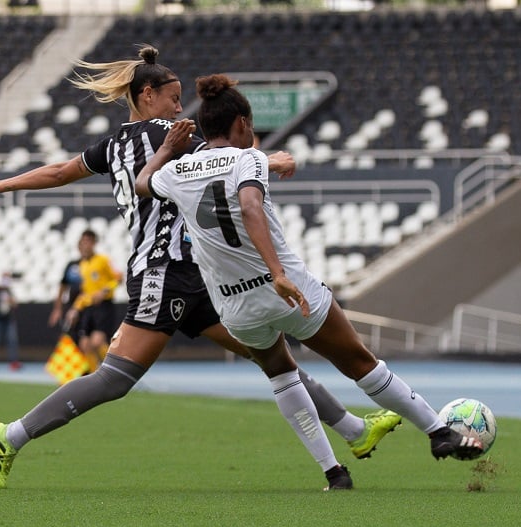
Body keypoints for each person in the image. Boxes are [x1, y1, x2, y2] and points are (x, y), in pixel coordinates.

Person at [0, 46, 399, 490]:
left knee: (273, 357)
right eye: (174, 98)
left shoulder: (112, 145)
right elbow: (222, 161)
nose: (181, 108)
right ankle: (11, 435)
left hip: (195, 274)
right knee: (116, 378)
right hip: (163, 269)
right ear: (148, 94)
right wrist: (271, 160)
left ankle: (354, 431)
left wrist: (3, 184)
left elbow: (60, 172)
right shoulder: (168, 134)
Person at [135, 73, 483, 487]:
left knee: (282, 376)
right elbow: (249, 206)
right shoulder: (248, 159)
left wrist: (166, 152)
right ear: (243, 125)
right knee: (360, 363)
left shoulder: (177, 170)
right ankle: (438, 432)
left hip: (236, 307)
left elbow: (141, 184)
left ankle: (334, 473)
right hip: (287, 291)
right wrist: (278, 274)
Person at [65, 229, 122, 373]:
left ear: (94, 243)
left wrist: (105, 291)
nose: (85, 245)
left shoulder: (103, 260)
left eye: (88, 241)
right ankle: (93, 376)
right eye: (83, 242)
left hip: (103, 306)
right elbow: (85, 293)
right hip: (88, 309)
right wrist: (75, 309)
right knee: (85, 344)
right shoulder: (82, 265)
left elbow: (118, 278)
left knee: (97, 341)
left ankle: (115, 372)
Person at [48, 254, 82, 341]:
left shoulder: (96, 264)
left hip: (88, 306)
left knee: (87, 340)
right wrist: (57, 309)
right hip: (72, 305)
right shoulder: (73, 265)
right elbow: (63, 286)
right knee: (67, 336)